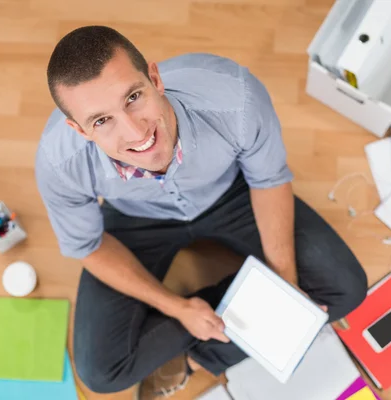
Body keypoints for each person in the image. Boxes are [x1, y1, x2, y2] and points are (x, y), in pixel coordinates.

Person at [35, 25, 367, 400]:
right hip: (135, 218)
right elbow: (87, 246)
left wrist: (285, 290)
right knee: (100, 373)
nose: (133, 131)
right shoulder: (59, 162)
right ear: (79, 130)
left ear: (155, 79)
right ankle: (215, 315)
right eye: (101, 120)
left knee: (347, 288)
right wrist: (177, 308)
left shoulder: (234, 97)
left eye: (133, 97)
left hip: (232, 193)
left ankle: (196, 356)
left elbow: (269, 179)